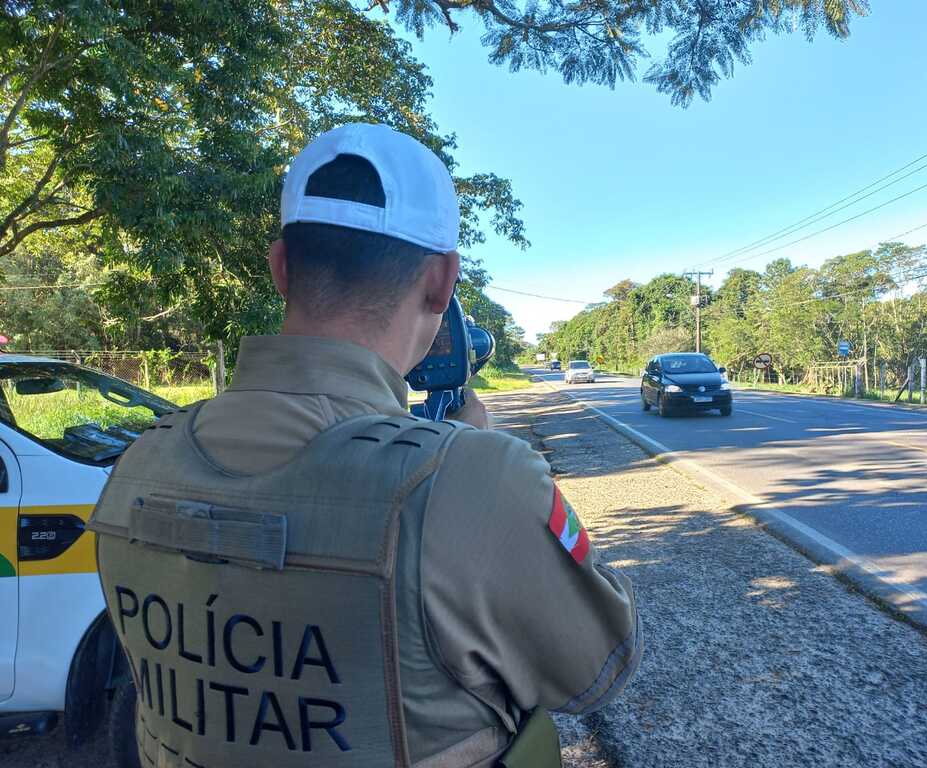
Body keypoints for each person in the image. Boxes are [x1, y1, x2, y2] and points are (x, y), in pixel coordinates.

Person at [88, 123, 641, 768]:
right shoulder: (472, 477)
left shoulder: (138, 464)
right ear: (441, 281)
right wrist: (478, 475)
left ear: (281, 268)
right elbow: (597, 668)